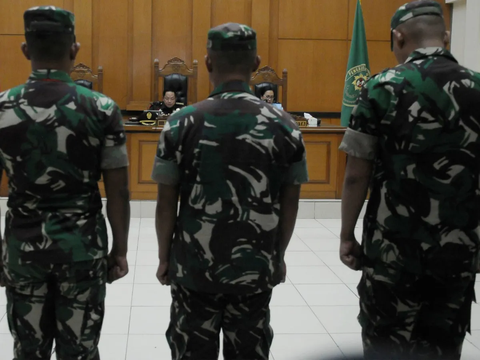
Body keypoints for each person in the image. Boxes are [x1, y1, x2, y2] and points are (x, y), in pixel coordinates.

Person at [151, 23, 308, 360]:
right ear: (256, 63)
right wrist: (277, 257)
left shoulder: (181, 123)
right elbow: (290, 203)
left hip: (194, 266)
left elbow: (166, 203)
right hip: (254, 265)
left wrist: (166, 257)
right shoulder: (285, 125)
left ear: (207, 63)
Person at [338, 1, 480, 359]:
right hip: (458, 250)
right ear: (445, 37)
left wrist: (346, 235)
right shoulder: (477, 86)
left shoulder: (380, 88)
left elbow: (356, 174)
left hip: (392, 253)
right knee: (444, 346)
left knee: (386, 345)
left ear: (398, 37)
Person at [0, 6, 130, 359]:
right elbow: (118, 189)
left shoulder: (2, 108)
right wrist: (119, 250)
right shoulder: (102, 108)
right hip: (82, 249)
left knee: (29, 349)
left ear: (26, 50)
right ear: (74, 48)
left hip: (23, 248)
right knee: (80, 349)